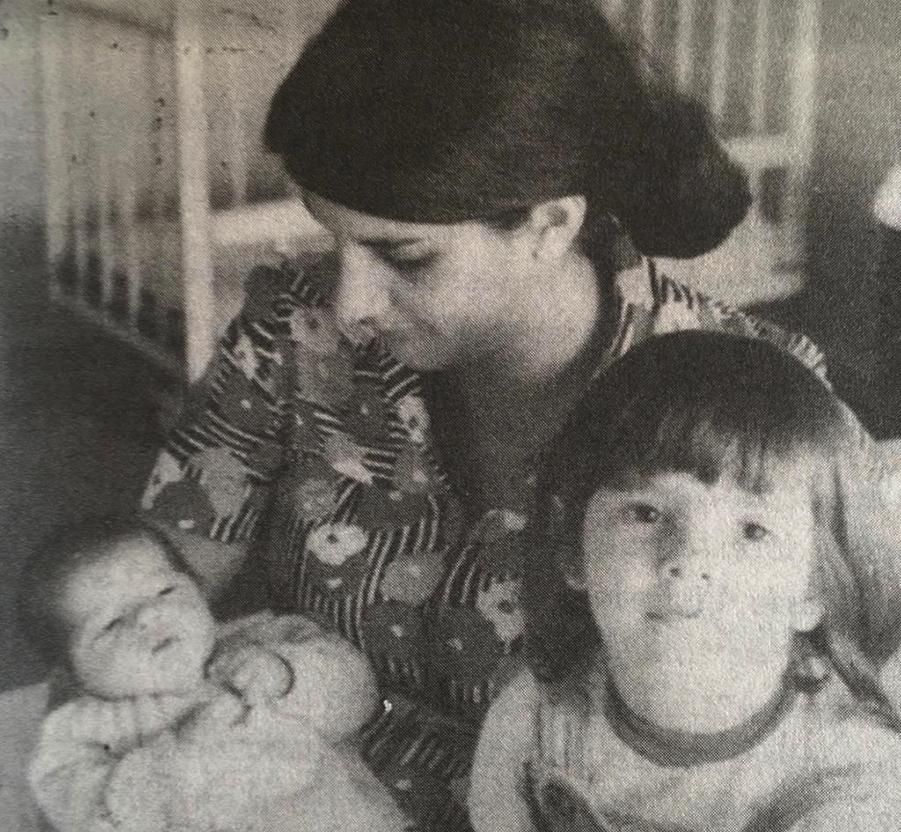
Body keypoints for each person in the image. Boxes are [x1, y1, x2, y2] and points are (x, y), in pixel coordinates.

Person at [138, 0, 840, 828]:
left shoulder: (757, 408)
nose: (350, 303)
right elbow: (131, 603)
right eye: (335, 242)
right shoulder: (292, 332)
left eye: (403, 257)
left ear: (549, 225)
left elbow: (812, 744)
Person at [469, 332, 901, 832]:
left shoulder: (848, 768)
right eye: (646, 513)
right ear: (573, 551)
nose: (688, 560)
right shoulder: (535, 718)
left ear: (813, 591)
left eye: (753, 530)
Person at [20, 517, 406, 832]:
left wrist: (287, 675)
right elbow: (88, 816)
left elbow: (360, 696)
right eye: (110, 624)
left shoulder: (266, 639)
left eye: (165, 591)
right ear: (75, 674)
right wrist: (175, 763)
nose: (148, 616)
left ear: (200, 591)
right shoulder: (79, 733)